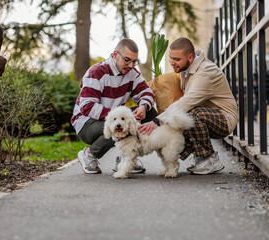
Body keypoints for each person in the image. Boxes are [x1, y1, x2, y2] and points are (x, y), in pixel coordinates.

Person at [138, 37, 238, 175]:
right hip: (207, 114)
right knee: (177, 121)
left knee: (190, 115)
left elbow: (186, 102)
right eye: (170, 58)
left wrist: (157, 121)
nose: (172, 63)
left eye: (177, 59)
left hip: (224, 119)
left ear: (190, 57)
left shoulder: (205, 72)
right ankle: (199, 155)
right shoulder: (187, 70)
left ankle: (209, 158)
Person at [71, 38, 157, 174]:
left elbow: (147, 92)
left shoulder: (132, 73)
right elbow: (87, 106)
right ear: (115, 55)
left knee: (150, 113)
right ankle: (89, 154)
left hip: (113, 116)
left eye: (134, 61)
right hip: (86, 123)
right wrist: (117, 117)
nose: (131, 65)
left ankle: (126, 157)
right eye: (127, 60)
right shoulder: (97, 72)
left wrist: (143, 106)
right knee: (118, 126)